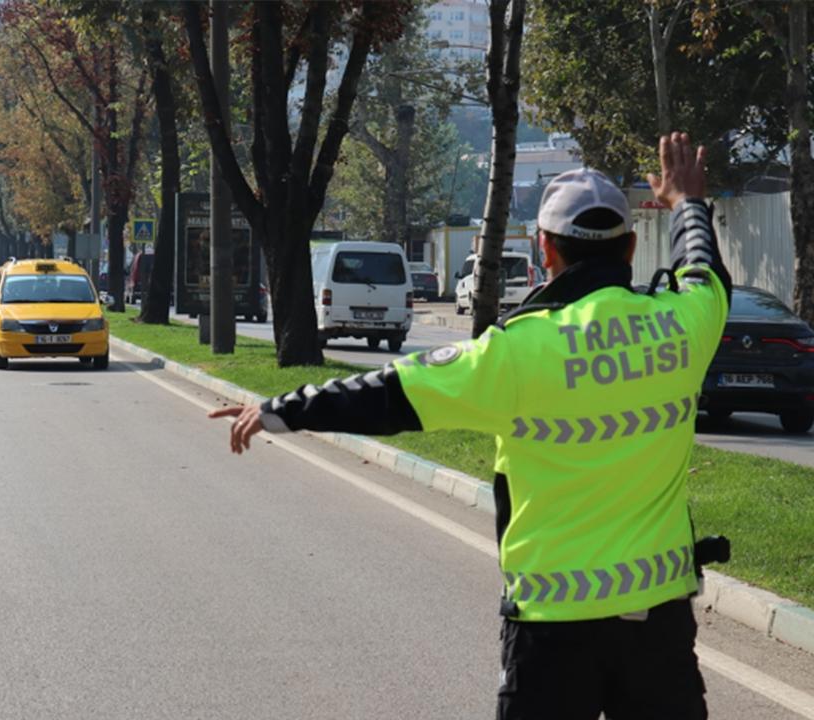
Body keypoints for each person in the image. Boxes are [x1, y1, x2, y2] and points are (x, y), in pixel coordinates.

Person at [210, 133, 730, 720]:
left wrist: (281, 409)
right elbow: (703, 269)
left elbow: (387, 395)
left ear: (545, 249)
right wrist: (687, 201)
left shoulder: (515, 352)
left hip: (552, 633)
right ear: (631, 247)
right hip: (659, 626)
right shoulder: (682, 327)